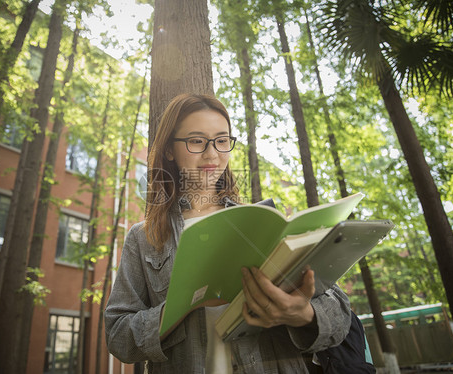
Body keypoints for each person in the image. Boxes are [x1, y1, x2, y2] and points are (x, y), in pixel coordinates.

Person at [104, 93, 352, 373]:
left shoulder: (263, 221)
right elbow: (118, 336)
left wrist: (303, 314)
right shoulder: (144, 238)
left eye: (222, 140)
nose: (212, 154)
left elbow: (341, 314)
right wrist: (181, 306)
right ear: (170, 150)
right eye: (197, 141)